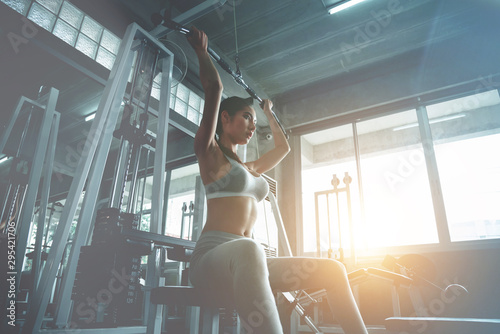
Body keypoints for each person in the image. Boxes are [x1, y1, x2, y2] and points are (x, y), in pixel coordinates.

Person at [186, 26, 369, 334]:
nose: (250, 126)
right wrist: (201, 52)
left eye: (253, 122)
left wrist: (268, 113)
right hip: (213, 258)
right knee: (250, 249)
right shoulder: (210, 154)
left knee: (333, 270)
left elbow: (283, 147)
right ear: (225, 119)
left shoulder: (251, 167)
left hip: (249, 260)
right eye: (246, 117)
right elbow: (215, 89)